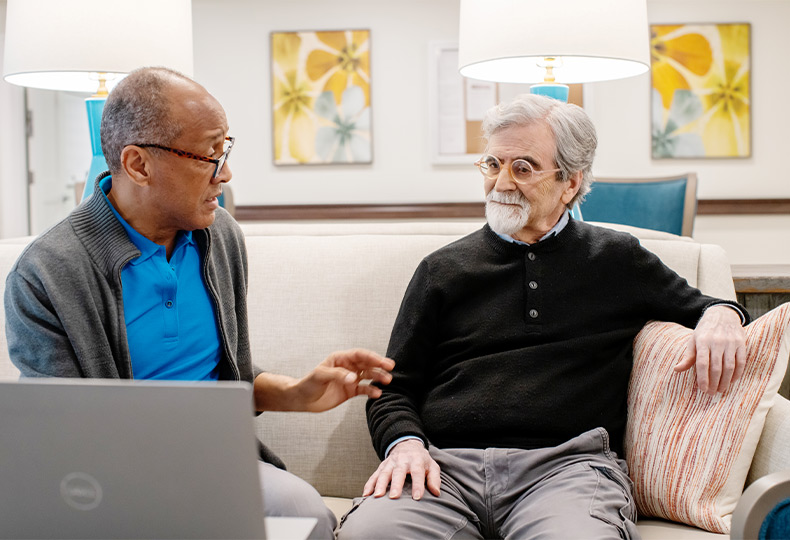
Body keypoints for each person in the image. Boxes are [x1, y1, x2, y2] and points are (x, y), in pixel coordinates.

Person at [3, 67, 394, 539]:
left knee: (307, 514)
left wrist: (296, 394)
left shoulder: (219, 237)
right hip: (106, 480)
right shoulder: (47, 272)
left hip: (213, 463)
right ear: (138, 165)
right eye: (209, 154)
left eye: (225, 148)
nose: (225, 173)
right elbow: (59, 433)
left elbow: (220, 380)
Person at [336, 93, 749, 539]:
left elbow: (705, 306)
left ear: (570, 182)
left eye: (523, 168)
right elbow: (393, 389)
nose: (501, 183)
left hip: (567, 470)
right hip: (444, 471)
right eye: (493, 164)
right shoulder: (442, 270)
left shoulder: (615, 259)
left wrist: (723, 315)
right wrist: (405, 446)